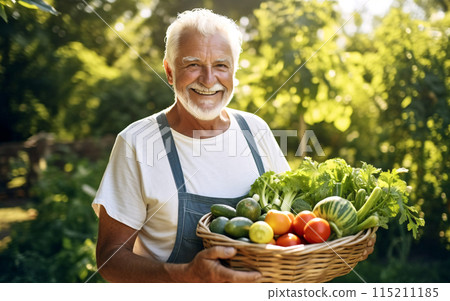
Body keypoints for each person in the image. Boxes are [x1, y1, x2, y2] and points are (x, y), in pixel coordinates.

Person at [93, 8, 375, 283]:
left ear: (234, 72)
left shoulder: (256, 130)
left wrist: (340, 242)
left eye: (221, 65)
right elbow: (110, 259)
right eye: (192, 65)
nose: (208, 79)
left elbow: (294, 226)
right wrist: (187, 277)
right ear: (169, 72)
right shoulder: (137, 143)